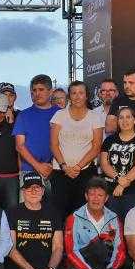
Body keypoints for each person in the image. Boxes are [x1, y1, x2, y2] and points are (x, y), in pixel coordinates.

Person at [49, 80, 105, 215]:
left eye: (81, 93)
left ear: (86, 96)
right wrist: (64, 166)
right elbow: (53, 144)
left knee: (83, 213)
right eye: (74, 93)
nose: (77, 96)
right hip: (61, 172)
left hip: (85, 173)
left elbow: (96, 147)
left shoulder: (95, 117)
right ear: (69, 96)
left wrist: (78, 167)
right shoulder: (59, 115)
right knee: (59, 212)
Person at [99, 104, 135, 219]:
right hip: (109, 191)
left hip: (132, 192)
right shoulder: (109, 140)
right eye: (121, 118)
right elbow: (104, 164)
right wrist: (118, 179)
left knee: (131, 224)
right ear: (117, 121)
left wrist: (122, 185)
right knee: (111, 225)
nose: (124, 121)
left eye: (128, 117)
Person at [14, 75, 60, 196]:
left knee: (54, 207)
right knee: (28, 207)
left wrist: (54, 165)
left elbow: (66, 142)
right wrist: (39, 166)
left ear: (50, 91)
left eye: (41, 89)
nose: (37, 93)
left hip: (56, 170)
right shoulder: (23, 115)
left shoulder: (60, 113)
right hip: (29, 171)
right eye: (34, 90)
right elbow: (20, 146)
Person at [106, 69, 135, 133]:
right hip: (123, 139)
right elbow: (110, 127)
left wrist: (121, 122)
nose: (127, 86)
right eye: (125, 83)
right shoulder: (118, 100)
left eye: (131, 83)